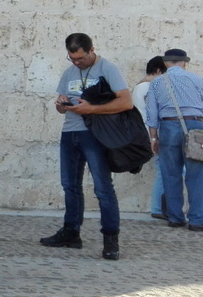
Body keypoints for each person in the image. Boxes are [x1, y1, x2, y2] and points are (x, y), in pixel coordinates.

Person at [41, 33, 131, 260]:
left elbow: (126, 102)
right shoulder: (69, 73)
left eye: (80, 58)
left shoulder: (108, 69)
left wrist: (92, 109)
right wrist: (61, 105)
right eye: (72, 58)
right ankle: (71, 232)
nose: (76, 63)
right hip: (70, 133)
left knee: (102, 188)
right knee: (70, 186)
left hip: (96, 135)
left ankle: (110, 238)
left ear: (92, 49)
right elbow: (60, 105)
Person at [144, 48, 203, 232]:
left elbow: (151, 113)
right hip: (195, 126)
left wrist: (153, 137)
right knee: (197, 175)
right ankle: (197, 220)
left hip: (168, 126)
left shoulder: (156, 82)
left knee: (170, 174)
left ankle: (175, 218)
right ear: (184, 62)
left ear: (165, 63)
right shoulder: (197, 79)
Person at [132, 56, 167, 219]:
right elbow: (154, 113)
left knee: (164, 169)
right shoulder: (147, 87)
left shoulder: (138, 87)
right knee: (164, 169)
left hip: (144, 134)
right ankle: (158, 208)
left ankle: (160, 207)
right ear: (158, 71)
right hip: (152, 134)